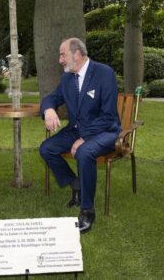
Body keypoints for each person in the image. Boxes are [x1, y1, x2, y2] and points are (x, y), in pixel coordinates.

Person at [39, 37, 121, 233]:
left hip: (104, 131)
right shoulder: (68, 78)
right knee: (46, 149)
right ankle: (76, 184)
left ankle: (87, 210)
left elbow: (109, 115)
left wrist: (85, 138)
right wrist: (49, 109)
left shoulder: (104, 73)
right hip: (76, 130)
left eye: (62, 55)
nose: (60, 60)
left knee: (84, 152)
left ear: (77, 54)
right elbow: (52, 97)